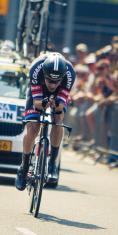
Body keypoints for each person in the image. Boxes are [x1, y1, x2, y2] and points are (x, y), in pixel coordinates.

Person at [15, 53, 76, 190]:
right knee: (33, 127)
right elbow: (36, 103)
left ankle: (52, 163)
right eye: (49, 81)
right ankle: (24, 167)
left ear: (62, 77)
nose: (53, 85)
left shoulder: (69, 74)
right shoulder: (36, 69)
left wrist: (55, 104)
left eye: (56, 81)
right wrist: (44, 103)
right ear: (44, 75)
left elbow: (60, 107)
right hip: (38, 92)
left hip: (59, 95)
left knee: (58, 118)